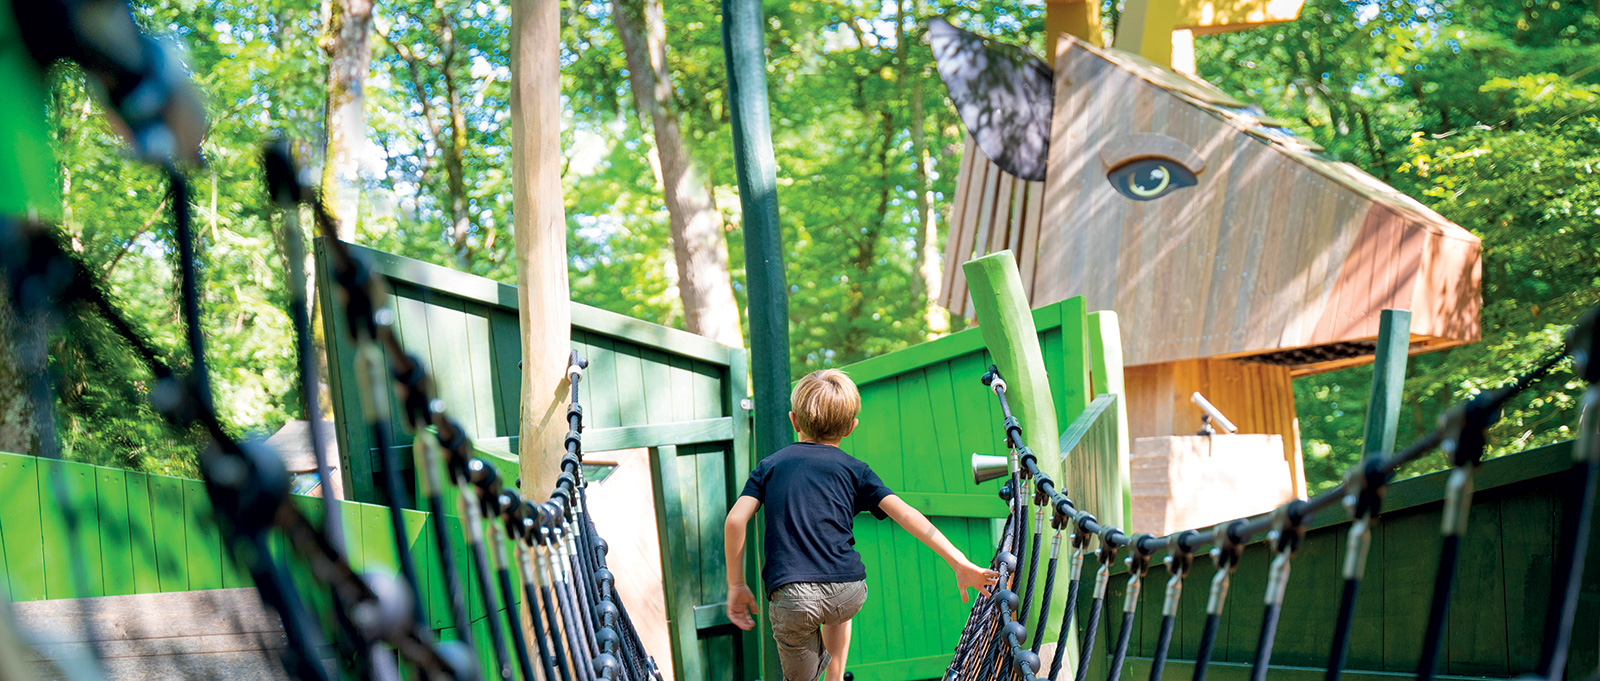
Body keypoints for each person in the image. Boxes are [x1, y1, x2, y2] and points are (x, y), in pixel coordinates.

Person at [723, 369, 998, 681]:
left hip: (792, 595)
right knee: (836, 603)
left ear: (794, 420)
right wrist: (958, 561)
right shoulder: (856, 470)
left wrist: (736, 584)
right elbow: (907, 515)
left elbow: (735, 520)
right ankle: (836, 675)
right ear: (851, 427)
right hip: (847, 590)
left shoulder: (769, 467)